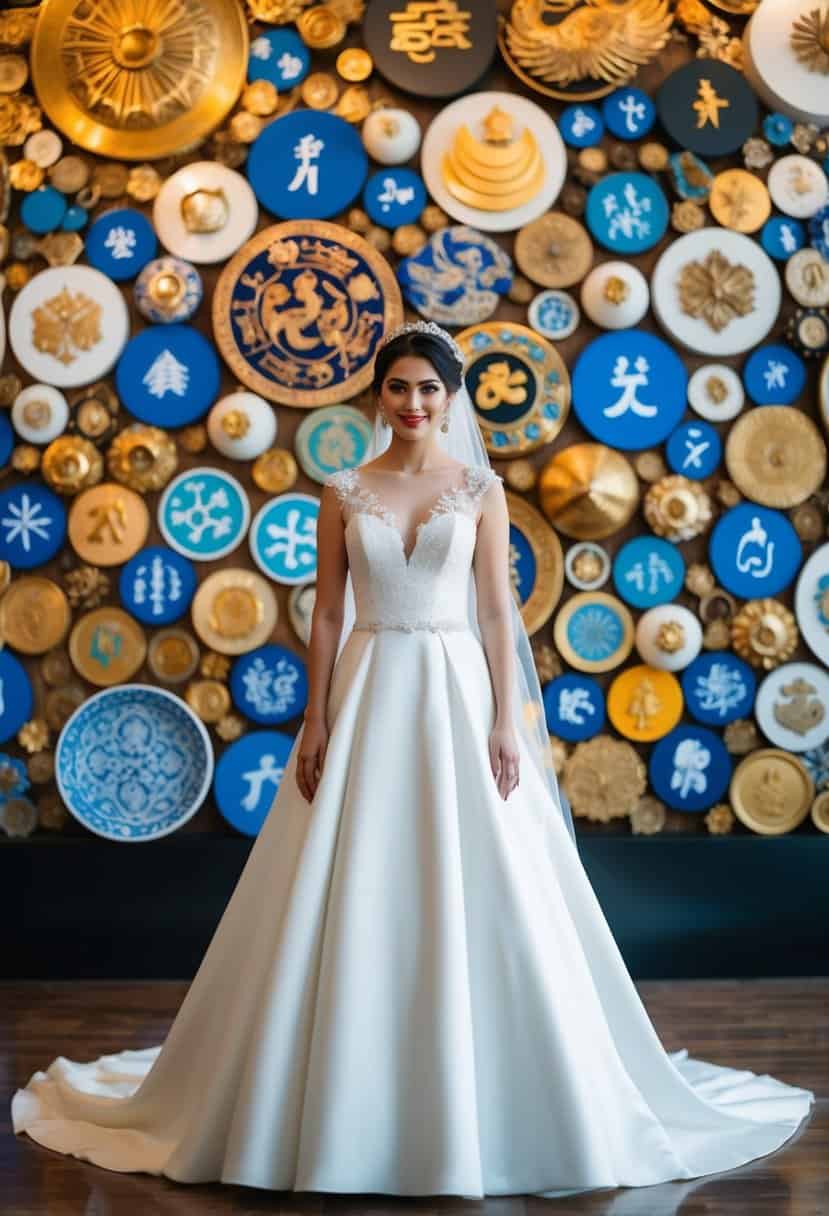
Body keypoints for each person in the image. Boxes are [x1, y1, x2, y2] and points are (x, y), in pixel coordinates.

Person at [11, 321, 814, 1199]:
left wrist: (508, 722)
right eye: (398, 387)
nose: (413, 403)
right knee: (351, 874)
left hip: (454, 688)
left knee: (479, 871)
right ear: (378, 395)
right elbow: (324, 617)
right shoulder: (343, 489)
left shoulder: (477, 487)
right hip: (366, 686)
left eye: (428, 389)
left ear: (451, 398)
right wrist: (314, 723)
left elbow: (501, 617)